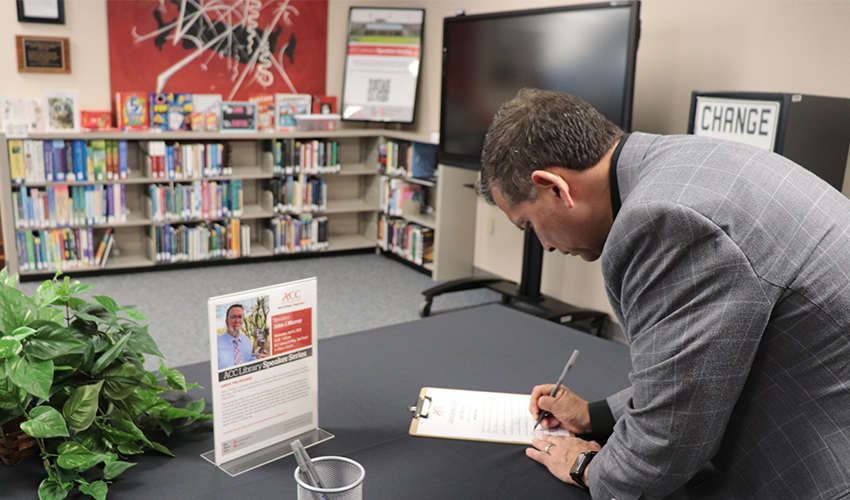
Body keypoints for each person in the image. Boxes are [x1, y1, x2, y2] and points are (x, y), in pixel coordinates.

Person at [476, 88, 850, 499]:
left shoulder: (664, 221)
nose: (544, 246)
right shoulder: (680, 162)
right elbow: (699, 368)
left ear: (555, 188)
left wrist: (585, 465)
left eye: (529, 226)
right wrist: (593, 415)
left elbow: (668, 441)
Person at [217, 304, 267, 370]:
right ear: (226, 322)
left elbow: (250, 361)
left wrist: (260, 360)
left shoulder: (247, 341)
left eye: (240, 317)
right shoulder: (216, 344)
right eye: (233, 317)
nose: (237, 321)